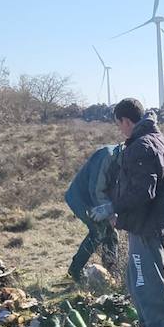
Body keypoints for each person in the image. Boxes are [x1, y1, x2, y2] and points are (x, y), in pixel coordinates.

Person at [107, 98, 164, 327]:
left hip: (147, 225)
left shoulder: (141, 146)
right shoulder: (163, 142)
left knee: (147, 283)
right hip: (156, 222)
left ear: (126, 121)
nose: (120, 131)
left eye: (119, 125)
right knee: (137, 280)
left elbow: (141, 193)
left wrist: (117, 214)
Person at [63, 117, 126, 283]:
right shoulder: (107, 156)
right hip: (80, 199)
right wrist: (109, 213)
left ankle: (111, 272)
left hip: (96, 200)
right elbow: (96, 189)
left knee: (111, 234)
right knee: (98, 231)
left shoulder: (124, 161)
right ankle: (75, 271)